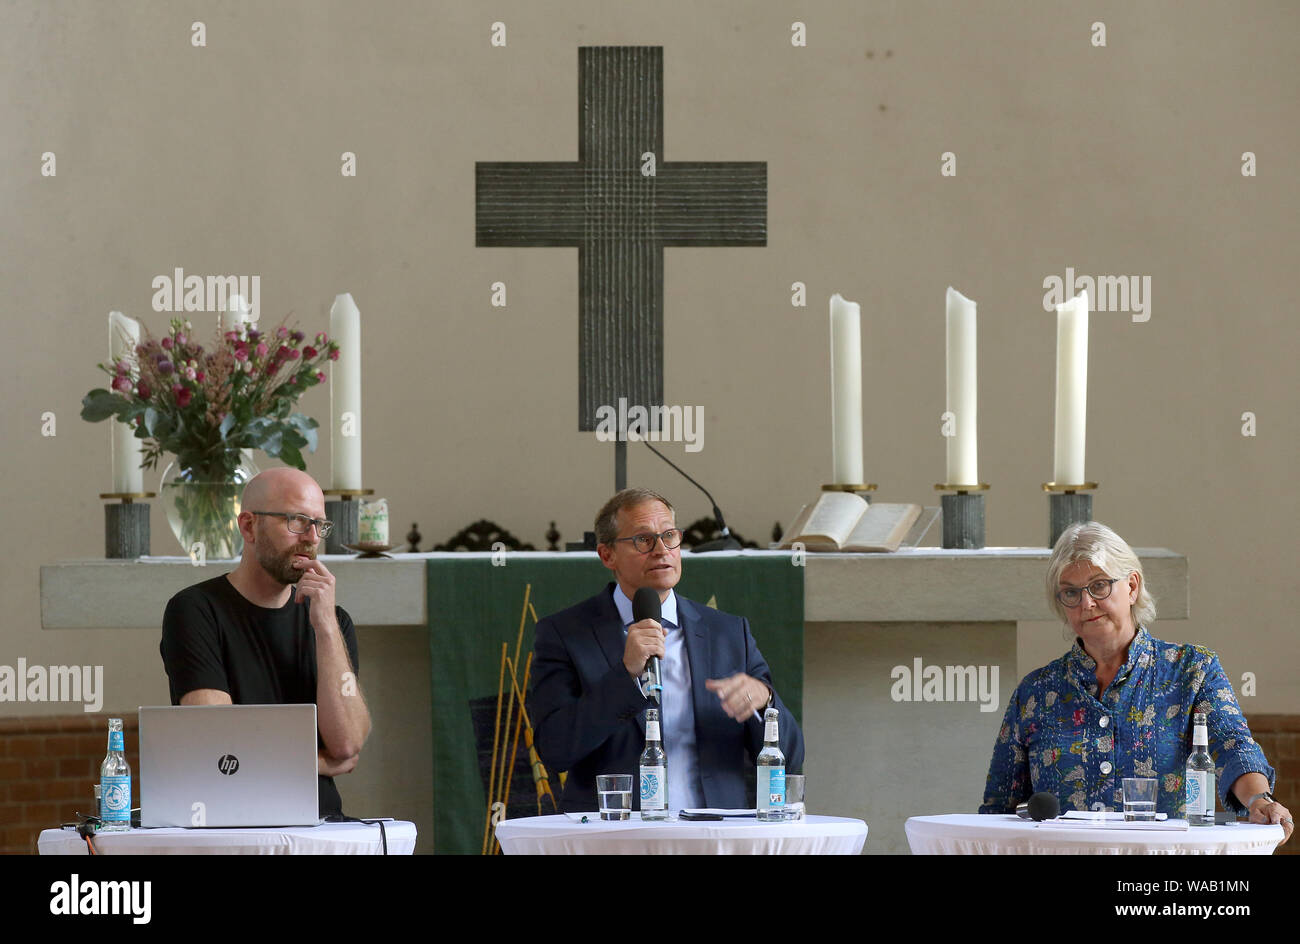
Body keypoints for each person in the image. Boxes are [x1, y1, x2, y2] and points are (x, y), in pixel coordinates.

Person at [980, 521, 1291, 845]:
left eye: (1099, 586)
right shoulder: (1036, 691)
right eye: (1071, 592)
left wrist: (1260, 800)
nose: (1086, 603)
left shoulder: (1193, 671)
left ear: (1131, 586)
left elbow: (1234, 747)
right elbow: (998, 809)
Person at [528, 487, 804, 813]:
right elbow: (556, 749)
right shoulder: (565, 634)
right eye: (643, 540)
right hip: (612, 834)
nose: (661, 550)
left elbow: (791, 754)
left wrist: (765, 703)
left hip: (712, 834)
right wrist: (626, 676)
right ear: (607, 555)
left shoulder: (728, 632)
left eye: (669, 535)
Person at [160, 467, 371, 818]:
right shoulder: (196, 610)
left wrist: (326, 628)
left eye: (320, 524)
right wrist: (316, 761)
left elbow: (347, 744)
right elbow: (218, 740)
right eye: (297, 521)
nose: (312, 538)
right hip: (233, 823)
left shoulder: (333, 622)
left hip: (322, 825)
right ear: (248, 526)